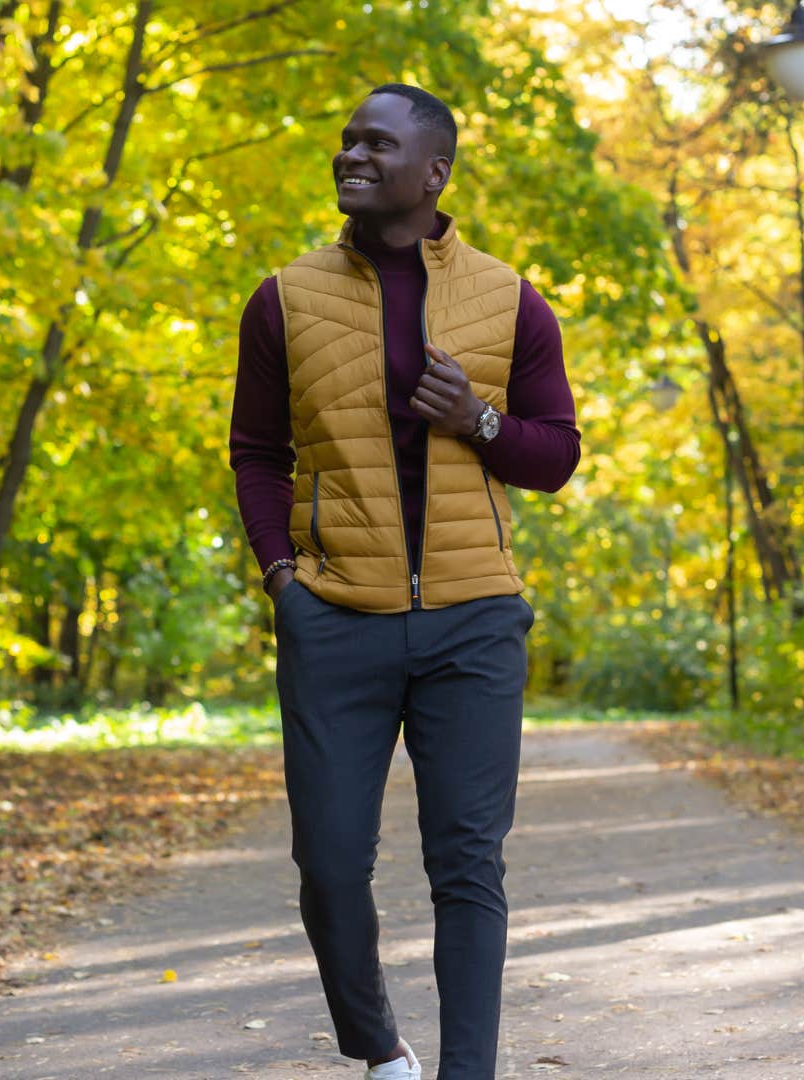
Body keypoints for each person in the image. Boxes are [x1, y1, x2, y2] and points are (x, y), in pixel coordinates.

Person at [228, 82, 581, 1080]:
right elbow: (257, 452)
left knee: (468, 868)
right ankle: (380, 1048)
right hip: (335, 619)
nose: (353, 155)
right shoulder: (285, 298)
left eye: (377, 144)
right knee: (331, 867)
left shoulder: (509, 299)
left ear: (435, 172)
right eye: (347, 141)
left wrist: (476, 419)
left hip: (473, 622)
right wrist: (281, 580)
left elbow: (554, 456)